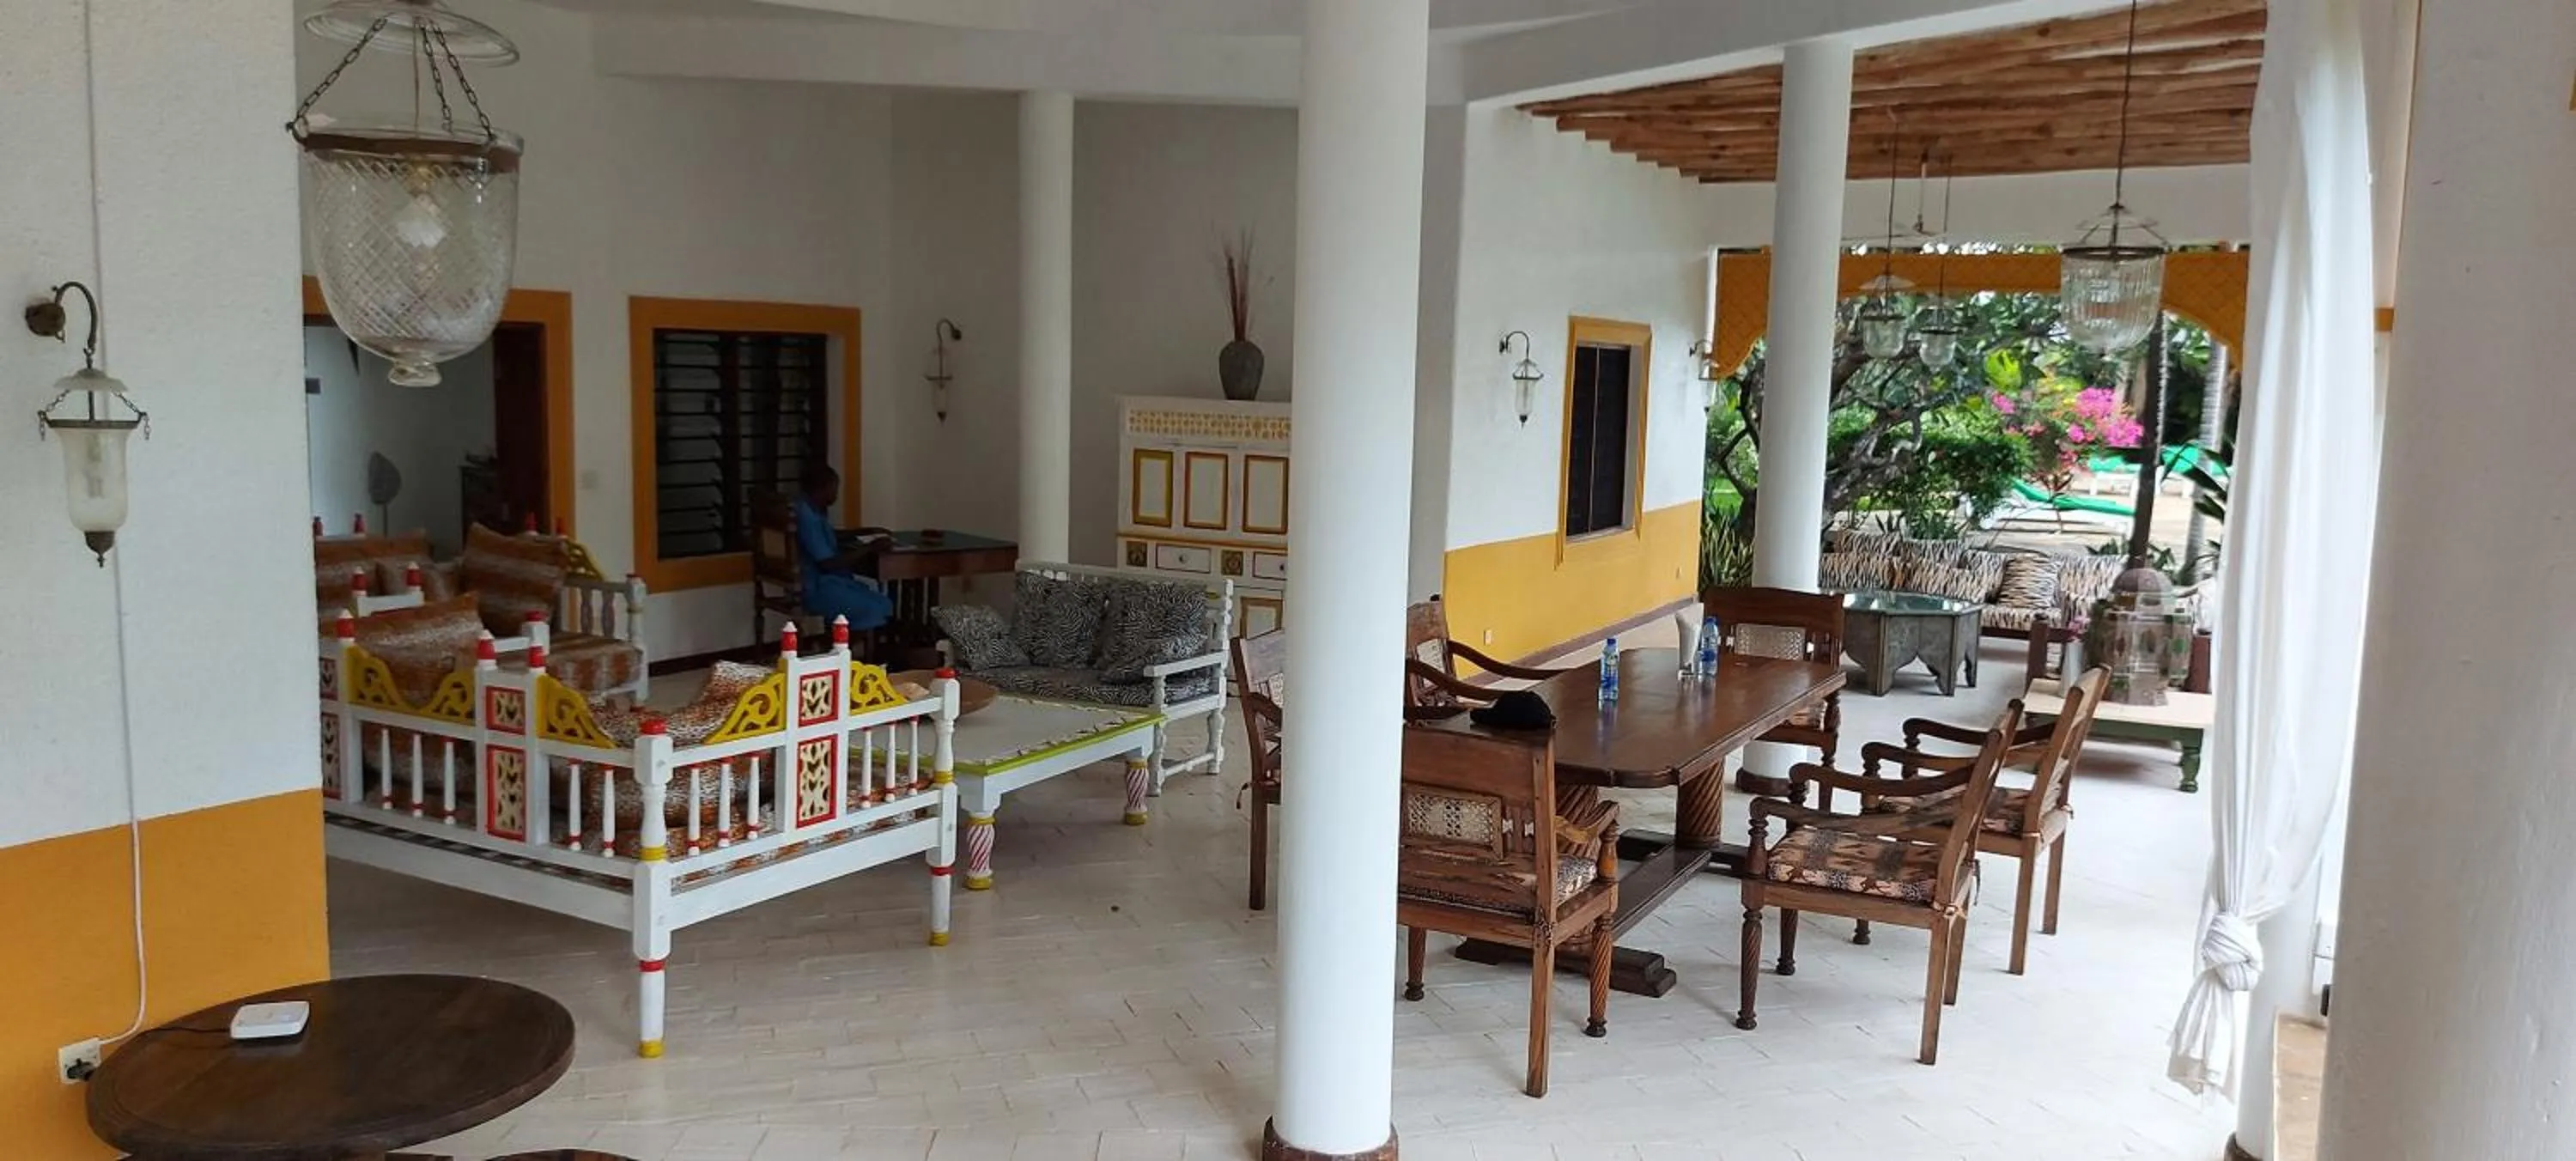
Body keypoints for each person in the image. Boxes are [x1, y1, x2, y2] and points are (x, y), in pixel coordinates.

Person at [791, 463, 892, 632]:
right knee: (879, 605)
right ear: (821, 490)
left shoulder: (805, 507)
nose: (836, 494)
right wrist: (869, 548)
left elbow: (828, 535)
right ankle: (843, 651)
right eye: (834, 489)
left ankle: (840, 647)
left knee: (880, 599)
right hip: (816, 589)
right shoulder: (808, 519)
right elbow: (827, 563)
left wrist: (866, 531)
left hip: (811, 583)